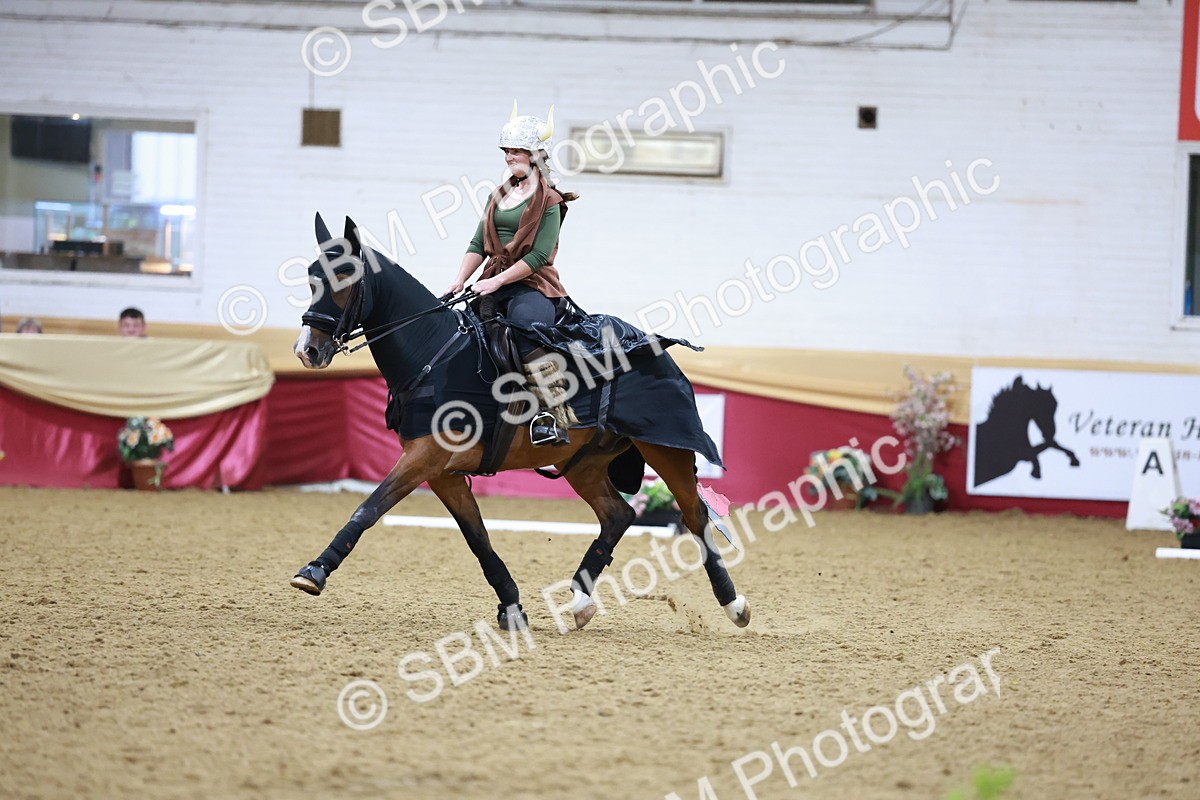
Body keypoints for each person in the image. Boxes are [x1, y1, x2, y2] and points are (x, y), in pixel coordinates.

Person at [446, 103, 581, 447]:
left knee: (527, 332)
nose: (508, 157)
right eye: (506, 150)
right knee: (461, 334)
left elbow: (537, 256)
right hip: (492, 279)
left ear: (536, 154)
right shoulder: (499, 195)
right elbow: (478, 242)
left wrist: (496, 281)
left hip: (533, 285)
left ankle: (551, 415)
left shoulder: (549, 200)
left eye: (516, 150)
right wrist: (460, 279)